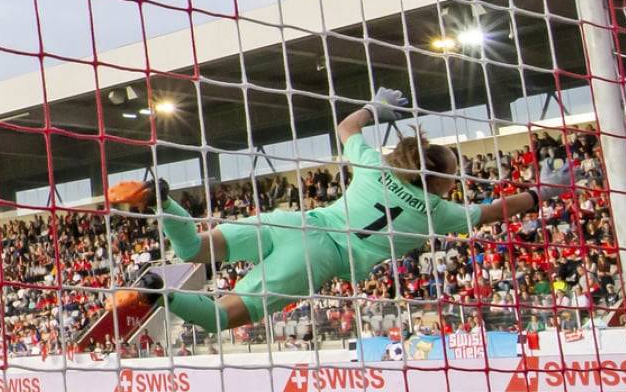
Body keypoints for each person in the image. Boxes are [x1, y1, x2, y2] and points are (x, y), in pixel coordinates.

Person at [108, 88, 573, 332]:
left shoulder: (374, 168)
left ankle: (160, 199)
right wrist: (542, 194)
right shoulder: (440, 213)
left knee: (192, 249)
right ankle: (156, 291)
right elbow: (495, 210)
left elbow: (347, 124)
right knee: (217, 317)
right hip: (319, 258)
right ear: (444, 181)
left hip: (293, 221)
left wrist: (377, 108)